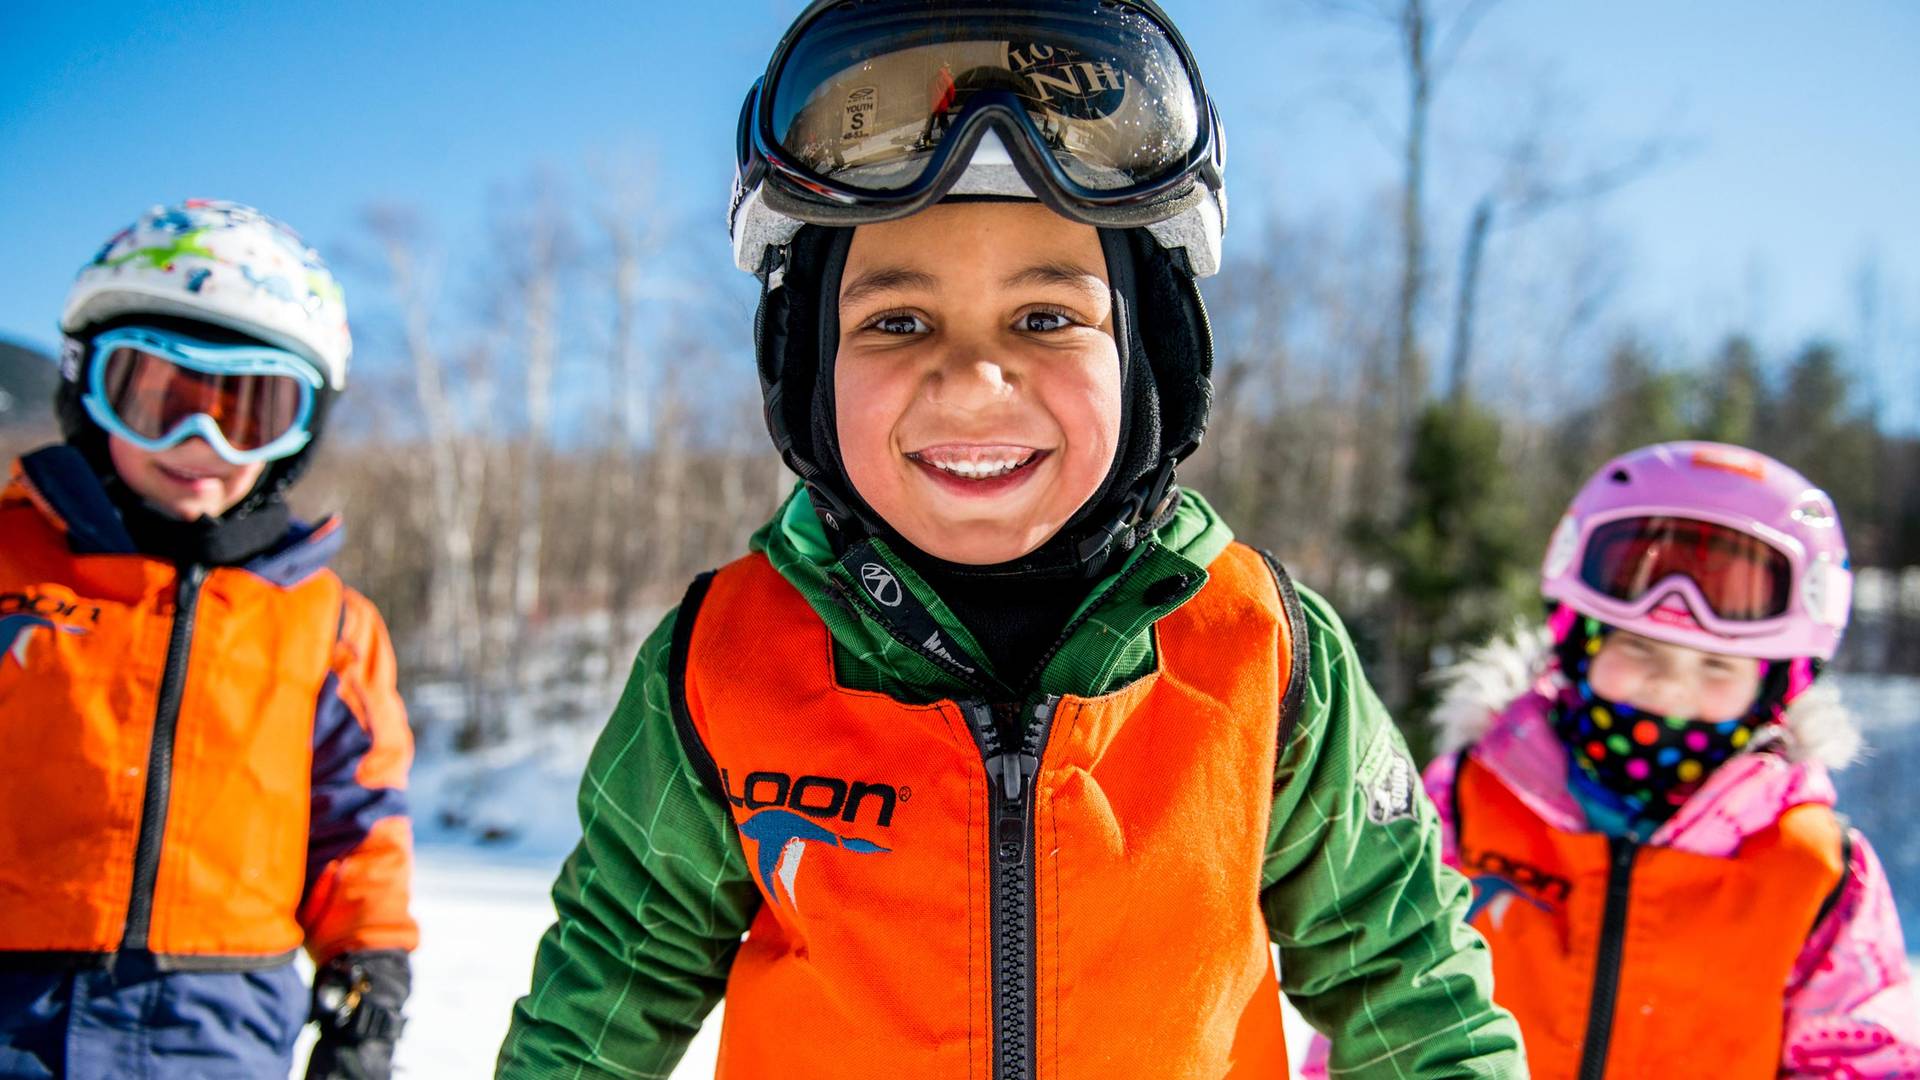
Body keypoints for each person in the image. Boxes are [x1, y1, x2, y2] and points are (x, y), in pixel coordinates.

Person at [496, 3, 1522, 1077]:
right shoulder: (725, 663)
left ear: (1150, 354)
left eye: (1046, 318)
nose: (975, 383)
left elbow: (1414, 991)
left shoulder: (1260, 653)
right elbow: (605, 996)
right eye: (897, 321)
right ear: (806, 364)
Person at [1310, 441, 1917, 1077]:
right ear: (1580, 642)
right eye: (1640, 650)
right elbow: (1375, 999)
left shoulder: (1815, 869)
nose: (1672, 687)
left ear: (1775, 686)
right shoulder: (1465, 803)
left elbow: (1861, 1053)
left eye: (1716, 666)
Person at [0, 200, 417, 1079]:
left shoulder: (326, 623)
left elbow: (359, 819)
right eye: (158, 400)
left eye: (252, 412)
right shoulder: (9, 567)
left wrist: (368, 975)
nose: (204, 443)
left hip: (217, 1023)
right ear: (86, 390)